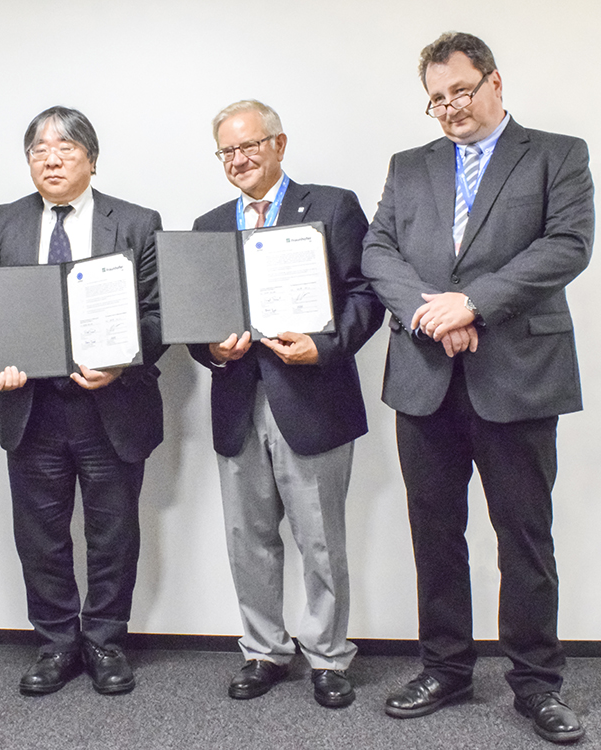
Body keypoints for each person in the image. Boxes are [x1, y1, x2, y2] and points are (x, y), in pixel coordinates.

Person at [361, 32, 593, 744]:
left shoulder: (557, 153)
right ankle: (446, 668)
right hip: (425, 376)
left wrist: (473, 303)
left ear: (494, 81)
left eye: (461, 90)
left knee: (524, 535)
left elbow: (566, 245)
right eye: (436, 99)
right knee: (435, 531)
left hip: (517, 375)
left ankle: (536, 683)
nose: (451, 108)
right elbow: (379, 250)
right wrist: (433, 315)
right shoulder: (409, 166)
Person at [0, 106, 164, 697]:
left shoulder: (137, 222)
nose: (51, 158)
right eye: (39, 150)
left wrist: (122, 360)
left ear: (92, 160)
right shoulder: (2, 223)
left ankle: (104, 641)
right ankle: (54, 643)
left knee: (113, 532)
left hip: (112, 405)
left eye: (66, 148)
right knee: (40, 534)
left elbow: (158, 313)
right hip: (32, 409)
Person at [189, 100, 384, 708]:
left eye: (250, 146)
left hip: (313, 397)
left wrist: (323, 347)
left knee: (321, 538)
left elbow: (365, 295)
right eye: (227, 151)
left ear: (279, 144)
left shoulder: (331, 206)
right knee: (247, 536)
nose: (239, 160)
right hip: (237, 400)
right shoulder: (208, 224)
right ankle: (264, 651)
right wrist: (214, 349)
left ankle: (327, 656)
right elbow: (199, 323)